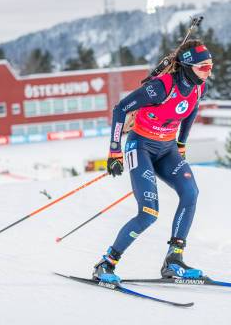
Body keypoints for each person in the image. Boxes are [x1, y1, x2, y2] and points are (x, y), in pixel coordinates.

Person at [93, 39, 213, 283]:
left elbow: (191, 111)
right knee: (148, 213)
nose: (208, 72)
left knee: (191, 193)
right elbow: (120, 109)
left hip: (167, 148)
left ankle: (174, 260)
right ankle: (106, 263)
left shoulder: (198, 87)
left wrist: (181, 144)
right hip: (141, 147)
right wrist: (114, 151)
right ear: (188, 65)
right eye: (204, 67)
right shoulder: (160, 88)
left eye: (211, 66)